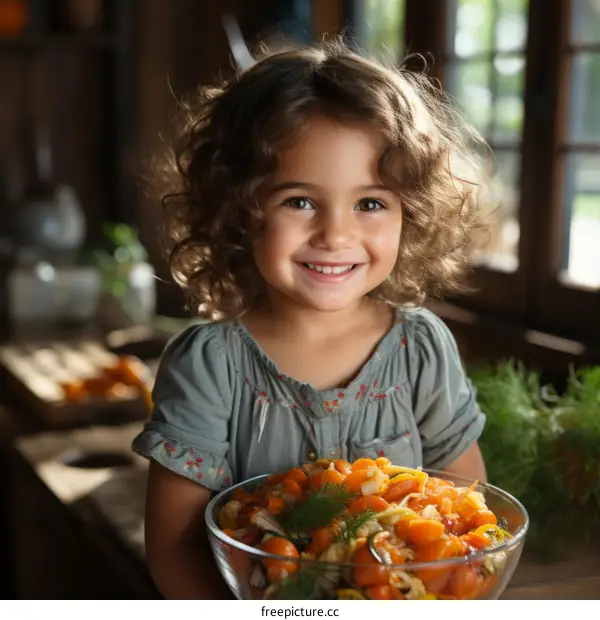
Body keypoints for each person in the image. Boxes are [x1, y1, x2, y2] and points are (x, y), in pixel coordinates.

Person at [132, 38, 492, 599]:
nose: (336, 235)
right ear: (240, 208)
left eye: (370, 203)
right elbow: (174, 550)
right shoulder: (209, 365)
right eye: (299, 201)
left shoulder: (421, 348)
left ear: (410, 214)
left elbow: (470, 519)